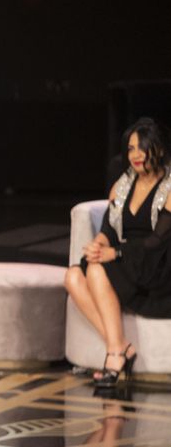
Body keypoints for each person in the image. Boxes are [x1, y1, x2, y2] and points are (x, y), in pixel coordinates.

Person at [65, 117, 171, 385]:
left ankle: (114, 356)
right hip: (125, 260)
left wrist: (116, 254)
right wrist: (99, 243)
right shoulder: (122, 185)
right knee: (73, 277)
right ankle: (121, 347)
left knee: (96, 270)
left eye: (142, 147)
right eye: (131, 148)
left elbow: (157, 242)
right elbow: (109, 230)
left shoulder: (170, 186)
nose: (136, 155)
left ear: (159, 149)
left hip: (157, 266)